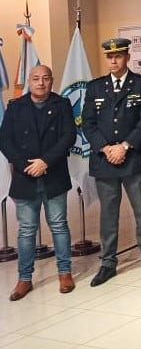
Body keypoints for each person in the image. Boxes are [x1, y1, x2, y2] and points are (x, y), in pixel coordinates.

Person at [81, 38, 141, 287]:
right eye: (109, 57)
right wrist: (106, 148)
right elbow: (88, 123)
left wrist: (124, 146)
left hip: (133, 157)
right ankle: (107, 262)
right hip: (105, 160)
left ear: (127, 56)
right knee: (108, 214)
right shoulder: (95, 87)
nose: (113, 60)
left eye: (118, 56)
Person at [0, 65, 76, 301]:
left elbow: (68, 137)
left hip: (53, 174)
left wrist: (45, 161)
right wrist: (25, 165)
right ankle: (24, 278)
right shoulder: (16, 107)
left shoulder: (61, 104)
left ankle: (65, 273)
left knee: (59, 225)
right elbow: (5, 140)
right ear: (29, 82)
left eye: (45, 78)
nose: (41, 83)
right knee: (26, 231)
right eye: (35, 79)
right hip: (25, 177)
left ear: (51, 81)